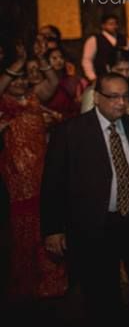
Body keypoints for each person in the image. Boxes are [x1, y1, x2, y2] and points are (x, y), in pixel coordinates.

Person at [41, 72, 129, 326]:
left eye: (124, 96)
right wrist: (53, 229)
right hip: (95, 224)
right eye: (113, 97)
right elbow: (53, 183)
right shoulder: (71, 132)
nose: (121, 103)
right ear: (96, 97)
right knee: (102, 297)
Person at [0, 57, 66, 302]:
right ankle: (26, 283)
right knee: (22, 229)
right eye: (13, 78)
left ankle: (52, 280)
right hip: (16, 174)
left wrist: (40, 60)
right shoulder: (2, 103)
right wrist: (16, 64)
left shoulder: (35, 98)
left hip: (42, 169)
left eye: (22, 77)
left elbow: (53, 81)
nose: (18, 82)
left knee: (46, 221)